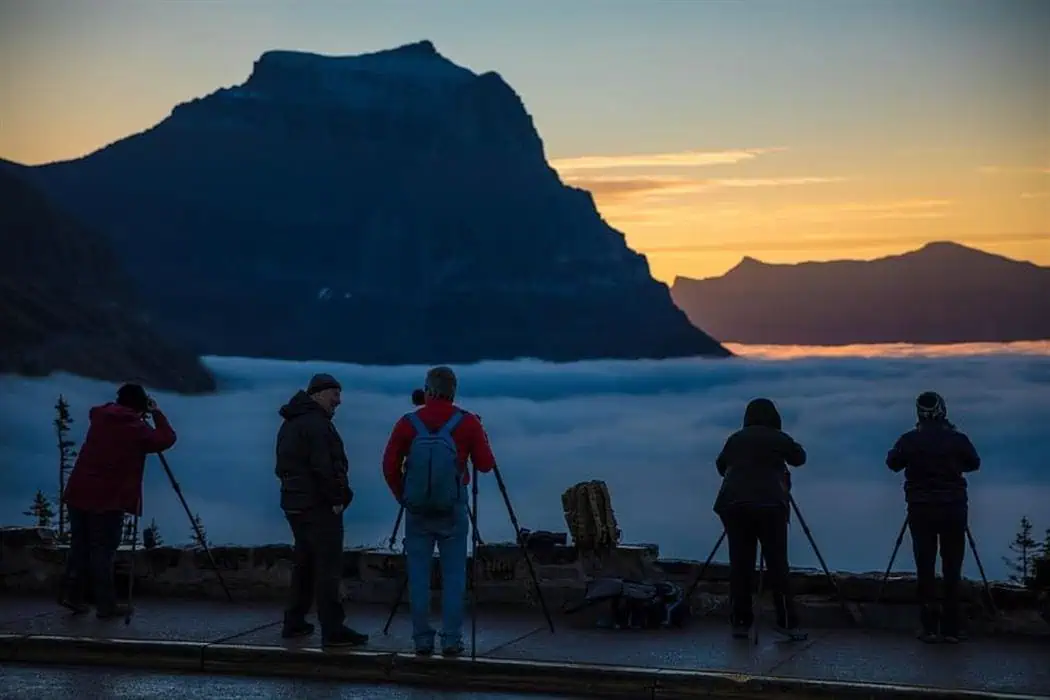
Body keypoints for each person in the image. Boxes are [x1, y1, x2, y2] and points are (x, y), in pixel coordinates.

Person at [381, 366, 496, 656]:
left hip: (417, 510)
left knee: (418, 576)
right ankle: (451, 639)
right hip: (453, 510)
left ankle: (421, 639)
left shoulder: (408, 423)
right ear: (453, 391)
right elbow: (485, 464)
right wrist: (479, 432)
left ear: (427, 390)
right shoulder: (467, 422)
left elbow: (389, 465)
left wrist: (403, 497)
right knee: (454, 576)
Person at [59, 383, 177, 618]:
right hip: (107, 498)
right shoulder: (134, 427)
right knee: (103, 551)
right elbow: (166, 439)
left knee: (80, 546)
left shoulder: (101, 418)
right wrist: (155, 412)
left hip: (79, 491)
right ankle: (106, 605)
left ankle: (73, 596)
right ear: (140, 405)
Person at [275, 373, 368, 648]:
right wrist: (338, 498)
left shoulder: (291, 423)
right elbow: (325, 468)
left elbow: (282, 467)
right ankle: (333, 628)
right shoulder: (317, 426)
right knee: (328, 567)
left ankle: (294, 621)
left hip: (294, 504)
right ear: (317, 394)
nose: (338, 402)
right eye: (334, 394)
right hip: (319, 506)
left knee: (304, 564)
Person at [886, 391, 980, 644]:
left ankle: (928, 626)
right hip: (953, 508)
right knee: (952, 567)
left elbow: (893, 463)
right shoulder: (957, 439)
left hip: (921, 509)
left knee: (924, 566)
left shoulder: (909, 440)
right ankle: (952, 627)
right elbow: (974, 463)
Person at [713, 397, 808, 641]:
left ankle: (740, 622)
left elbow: (721, 466)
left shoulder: (736, 438)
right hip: (770, 505)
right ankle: (787, 622)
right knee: (777, 564)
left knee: (740, 564)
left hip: (734, 505)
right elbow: (799, 458)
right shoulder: (778, 438)